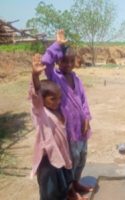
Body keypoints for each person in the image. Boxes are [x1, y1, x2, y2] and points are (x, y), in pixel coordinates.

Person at [41, 29, 93, 198]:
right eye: (64, 61)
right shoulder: (54, 76)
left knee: (82, 158)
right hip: (67, 130)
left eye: (71, 61)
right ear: (58, 62)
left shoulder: (77, 79)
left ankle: (77, 183)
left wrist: (87, 118)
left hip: (81, 129)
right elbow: (46, 62)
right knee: (70, 161)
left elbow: (84, 100)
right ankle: (70, 191)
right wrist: (57, 45)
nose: (68, 65)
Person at [30, 54, 73, 200]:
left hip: (60, 157)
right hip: (48, 161)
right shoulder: (41, 112)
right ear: (43, 99)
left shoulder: (57, 112)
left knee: (62, 189)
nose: (57, 102)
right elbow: (35, 96)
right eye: (53, 99)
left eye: (59, 98)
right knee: (49, 193)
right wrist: (35, 76)